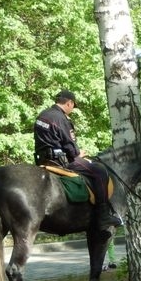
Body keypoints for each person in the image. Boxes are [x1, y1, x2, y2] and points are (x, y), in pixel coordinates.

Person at [34, 90, 122, 229]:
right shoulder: (61, 119)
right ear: (69, 103)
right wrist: (78, 153)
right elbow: (71, 147)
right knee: (99, 171)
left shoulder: (43, 115)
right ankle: (103, 215)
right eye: (73, 107)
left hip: (43, 160)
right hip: (61, 161)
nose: (72, 110)